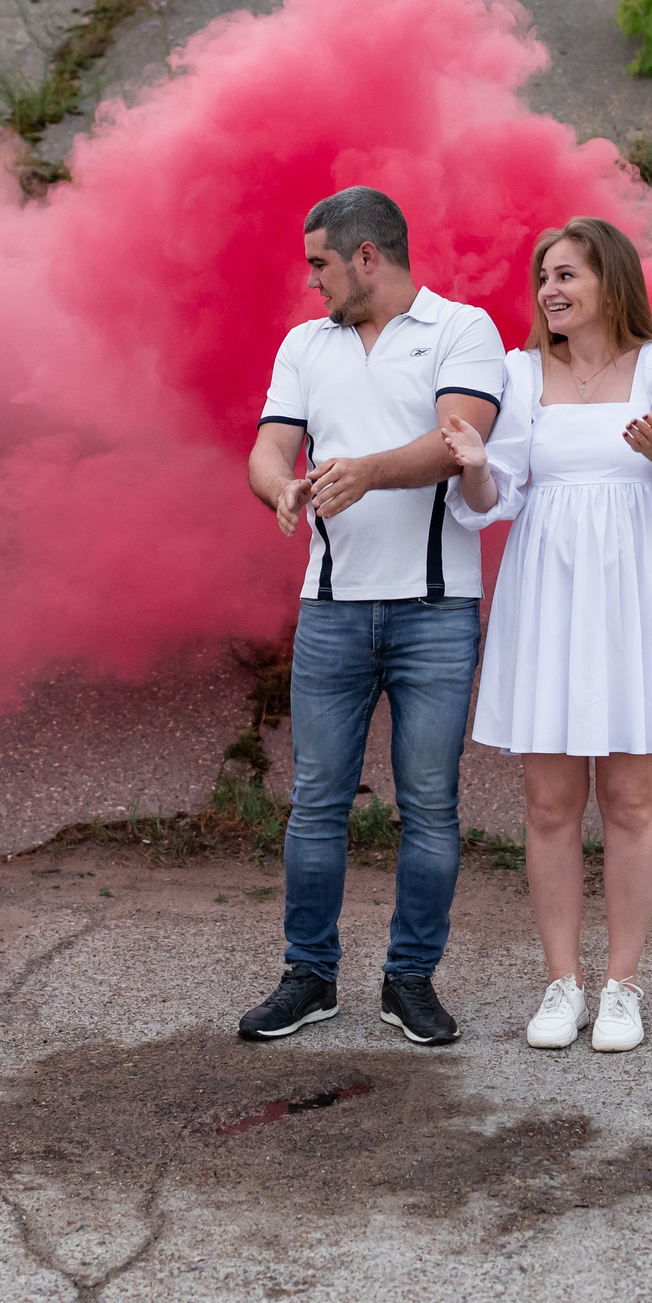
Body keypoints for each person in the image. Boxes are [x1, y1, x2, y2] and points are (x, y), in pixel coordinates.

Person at [439, 217, 652, 1054]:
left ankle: (623, 987)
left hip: (632, 595)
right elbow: (501, 497)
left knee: (633, 802)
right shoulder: (521, 373)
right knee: (549, 803)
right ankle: (561, 983)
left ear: (611, 278)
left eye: (567, 274)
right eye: (543, 278)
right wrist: (472, 464)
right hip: (549, 595)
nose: (550, 291)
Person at [240, 186, 507, 1047]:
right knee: (316, 800)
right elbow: (269, 445)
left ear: (366, 257)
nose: (310, 280)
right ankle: (309, 976)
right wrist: (280, 482)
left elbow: (457, 439)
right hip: (328, 610)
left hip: (436, 610)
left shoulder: (463, 329)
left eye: (320, 262)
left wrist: (363, 473)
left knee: (428, 803)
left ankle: (410, 982)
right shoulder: (302, 343)